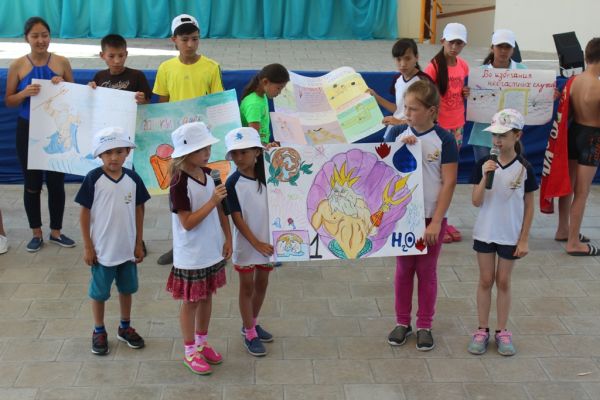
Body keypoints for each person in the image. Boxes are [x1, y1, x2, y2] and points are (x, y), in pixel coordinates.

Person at [384, 80, 458, 351]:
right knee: (404, 270)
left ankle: (425, 324)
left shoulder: (445, 140)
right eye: (406, 108)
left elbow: (449, 182)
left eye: (413, 109)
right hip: (405, 216)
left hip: (430, 217)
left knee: (426, 271)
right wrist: (401, 149)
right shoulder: (397, 133)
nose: (407, 113)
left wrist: (437, 221)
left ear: (431, 111)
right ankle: (402, 322)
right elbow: (384, 171)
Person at [154, 14, 224, 266]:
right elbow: (161, 107)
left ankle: (218, 243)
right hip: (181, 147)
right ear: (174, 40)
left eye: (194, 39)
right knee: (179, 195)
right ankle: (179, 246)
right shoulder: (165, 69)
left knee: (209, 192)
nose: (190, 44)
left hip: (201, 146)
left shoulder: (211, 67)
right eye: (184, 39)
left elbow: (217, 104)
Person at [75, 127, 150, 355]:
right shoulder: (93, 179)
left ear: (127, 152)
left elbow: (139, 210)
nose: (114, 157)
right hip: (102, 251)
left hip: (127, 250)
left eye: (119, 151)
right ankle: (98, 330)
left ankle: (124, 327)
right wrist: (88, 246)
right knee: (99, 293)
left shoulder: (133, 179)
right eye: (108, 152)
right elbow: (84, 213)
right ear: (100, 155)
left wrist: (138, 242)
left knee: (127, 289)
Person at [467, 109, 537, 356]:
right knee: (486, 280)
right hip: (485, 232)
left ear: (517, 136)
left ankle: (502, 331)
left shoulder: (525, 167)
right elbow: (476, 201)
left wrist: (524, 238)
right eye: (494, 135)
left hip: (510, 234)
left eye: (503, 135)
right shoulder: (483, 164)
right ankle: (482, 330)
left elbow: (529, 205)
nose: (497, 141)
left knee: (504, 281)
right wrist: (485, 175)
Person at [4, 16, 75, 252]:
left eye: (44, 35)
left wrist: (62, 85)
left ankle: (56, 231)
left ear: (50, 36)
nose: (40, 40)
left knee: (56, 182)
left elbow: (75, 96)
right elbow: (9, 101)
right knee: (32, 183)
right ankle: (36, 233)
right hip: (28, 129)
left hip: (55, 129)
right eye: (35, 36)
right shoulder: (17, 66)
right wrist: (24, 93)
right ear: (27, 38)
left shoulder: (62, 62)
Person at [166, 122, 232, 375]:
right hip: (191, 254)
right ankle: (190, 351)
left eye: (208, 148)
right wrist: (213, 201)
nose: (207, 153)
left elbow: (222, 209)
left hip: (210, 250)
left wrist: (228, 238)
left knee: (206, 297)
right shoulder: (178, 183)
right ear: (186, 153)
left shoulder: (209, 174)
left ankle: (202, 343)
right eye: (201, 149)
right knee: (191, 302)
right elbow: (188, 223)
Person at [224, 127, 274, 357]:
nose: (238, 158)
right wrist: (256, 244)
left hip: (268, 242)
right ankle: (250, 333)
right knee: (247, 288)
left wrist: (277, 150)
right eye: (234, 153)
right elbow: (237, 218)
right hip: (246, 245)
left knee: (262, 284)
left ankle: (251, 323)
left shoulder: (270, 175)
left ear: (257, 152)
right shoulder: (232, 183)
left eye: (243, 152)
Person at [424, 22, 470, 244]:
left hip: (457, 126)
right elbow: (427, 97)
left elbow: (460, 90)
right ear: (443, 41)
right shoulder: (432, 68)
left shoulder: (463, 66)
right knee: (437, 176)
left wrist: (465, 92)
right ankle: (437, 219)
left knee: (449, 177)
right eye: (451, 42)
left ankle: (443, 219)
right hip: (439, 129)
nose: (454, 47)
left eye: (459, 43)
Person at [562, 38, 600, 256]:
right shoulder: (597, 86)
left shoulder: (574, 81)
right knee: (582, 191)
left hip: (573, 132)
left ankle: (563, 229)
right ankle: (574, 242)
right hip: (592, 138)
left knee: (569, 185)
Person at [467, 29, 527, 162]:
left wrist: (548, 95)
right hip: (483, 136)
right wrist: (465, 93)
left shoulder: (523, 71)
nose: (503, 51)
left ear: (513, 50)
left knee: (509, 173)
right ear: (492, 48)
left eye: (508, 47)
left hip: (510, 136)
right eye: (500, 46)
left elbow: (533, 96)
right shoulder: (479, 73)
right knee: (484, 172)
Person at [369, 38, 431, 128]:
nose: (403, 64)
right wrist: (376, 97)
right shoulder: (397, 79)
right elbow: (399, 110)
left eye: (407, 58)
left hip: (414, 131)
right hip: (396, 128)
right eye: (398, 59)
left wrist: (400, 122)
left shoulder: (424, 81)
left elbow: (430, 116)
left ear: (416, 57)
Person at [88, 34, 152, 104]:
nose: (117, 61)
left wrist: (142, 100)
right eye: (111, 56)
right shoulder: (99, 76)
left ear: (126, 54)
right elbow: (91, 102)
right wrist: (89, 90)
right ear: (102, 55)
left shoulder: (137, 76)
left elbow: (147, 102)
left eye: (121, 56)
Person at [240, 63, 290, 145]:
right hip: (254, 148)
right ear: (265, 82)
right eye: (278, 88)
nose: (280, 92)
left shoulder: (262, 96)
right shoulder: (254, 105)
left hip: (262, 145)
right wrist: (269, 147)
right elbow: (254, 140)